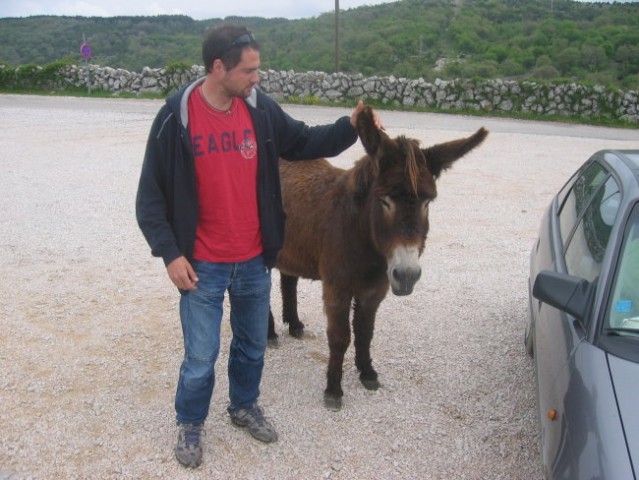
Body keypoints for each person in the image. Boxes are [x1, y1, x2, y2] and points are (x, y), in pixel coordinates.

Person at [135, 23, 379, 468]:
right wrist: (170, 253)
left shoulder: (258, 109)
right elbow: (149, 198)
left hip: (252, 261)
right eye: (248, 70)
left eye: (257, 69)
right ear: (217, 67)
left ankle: (243, 405)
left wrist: (350, 125)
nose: (256, 78)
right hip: (201, 265)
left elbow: (303, 140)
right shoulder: (177, 115)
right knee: (201, 356)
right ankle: (190, 423)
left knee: (250, 346)